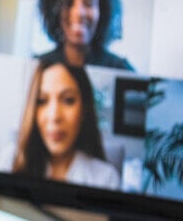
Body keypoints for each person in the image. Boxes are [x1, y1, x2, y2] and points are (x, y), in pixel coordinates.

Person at [11, 59, 120, 189]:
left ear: (84, 109)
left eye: (68, 100)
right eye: (42, 101)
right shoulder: (10, 161)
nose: (54, 116)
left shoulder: (105, 179)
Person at [35, 0, 134, 71]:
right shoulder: (39, 66)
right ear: (54, 9)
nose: (79, 13)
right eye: (69, 2)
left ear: (102, 10)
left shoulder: (120, 69)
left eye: (88, 3)